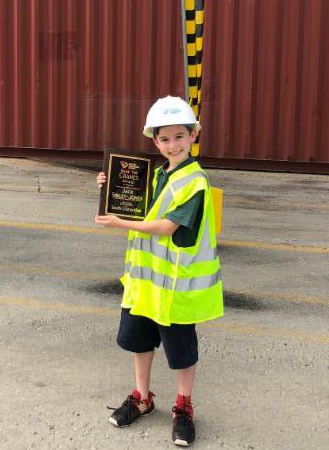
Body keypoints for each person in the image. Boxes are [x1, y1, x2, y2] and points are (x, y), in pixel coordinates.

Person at [95, 96, 223, 447]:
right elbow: (134, 199)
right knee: (140, 342)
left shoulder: (194, 182)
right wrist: (109, 186)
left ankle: (183, 406)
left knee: (181, 350)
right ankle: (142, 397)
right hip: (145, 283)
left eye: (179, 136)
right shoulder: (158, 176)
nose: (172, 145)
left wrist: (122, 221)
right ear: (155, 142)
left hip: (176, 288)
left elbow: (168, 225)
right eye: (164, 139)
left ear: (194, 135)